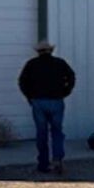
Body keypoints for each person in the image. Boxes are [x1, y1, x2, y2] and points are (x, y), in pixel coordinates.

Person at [18, 39, 75, 174]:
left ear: (38, 52)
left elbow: (22, 82)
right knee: (57, 132)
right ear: (51, 51)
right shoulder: (60, 63)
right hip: (56, 101)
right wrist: (65, 92)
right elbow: (71, 77)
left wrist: (30, 97)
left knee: (41, 133)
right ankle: (57, 160)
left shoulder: (31, 64)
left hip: (38, 102)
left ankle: (43, 163)